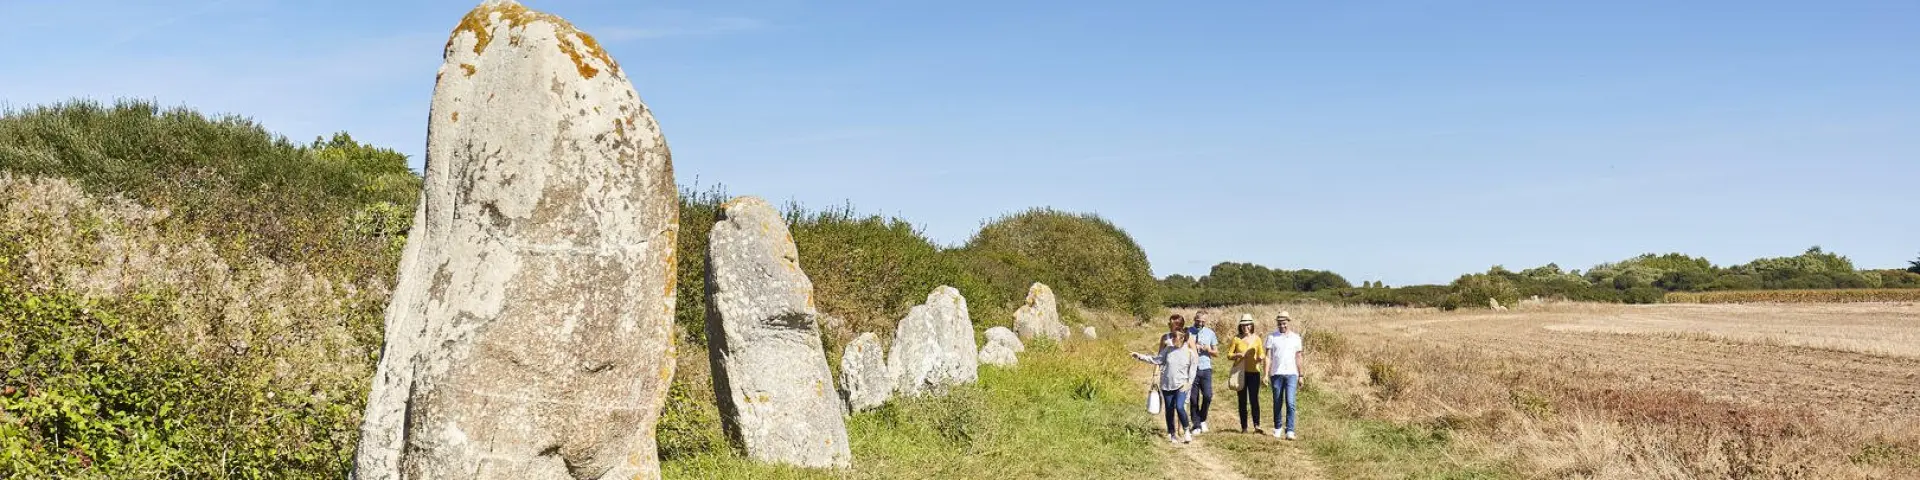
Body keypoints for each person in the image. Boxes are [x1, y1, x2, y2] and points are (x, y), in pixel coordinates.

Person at [1132, 316, 1198, 444]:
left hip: (1182, 384)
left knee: (1180, 407)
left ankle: (1186, 431)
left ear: (1182, 339)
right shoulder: (1168, 350)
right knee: (1169, 409)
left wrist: (1189, 383)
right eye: (1172, 336)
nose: (1172, 339)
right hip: (1167, 384)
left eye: (1175, 337)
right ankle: (1172, 434)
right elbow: (1156, 360)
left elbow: (1193, 369)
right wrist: (1139, 356)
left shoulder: (1190, 353)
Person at [1264, 311, 1306, 440]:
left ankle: (1290, 430)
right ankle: (1277, 427)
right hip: (1276, 374)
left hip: (1291, 374)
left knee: (1290, 402)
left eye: (1284, 323)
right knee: (1277, 401)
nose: (1282, 326)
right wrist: (1265, 374)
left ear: (1288, 322)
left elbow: (1298, 357)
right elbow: (1268, 357)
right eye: (1279, 323)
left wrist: (1301, 375)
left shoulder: (1296, 338)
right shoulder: (1272, 337)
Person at [1223, 313, 1266, 433]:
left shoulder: (1257, 339)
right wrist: (1238, 355)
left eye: (1247, 325)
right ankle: (1244, 427)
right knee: (1242, 400)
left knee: (1254, 399)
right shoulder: (1236, 339)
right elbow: (1229, 355)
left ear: (1252, 325)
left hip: (1254, 373)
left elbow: (1261, 353)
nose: (1245, 327)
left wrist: (1261, 357)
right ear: (1240, 326)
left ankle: (1257, 425)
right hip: (1240, 372)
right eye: (1243, 325)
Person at [1186, 310, 1219, 434]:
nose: (1200, 323)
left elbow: (1216, 353)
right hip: (1192, 368)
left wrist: (1207, 349)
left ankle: (1203, 419)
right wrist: (1192, 347)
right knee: (1193, 399)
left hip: (1206, 368)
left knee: (1207, 395)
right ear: (1194, 319)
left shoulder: (1210, 333)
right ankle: (1196, 424)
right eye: (1198, 320)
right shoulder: (1188, 331)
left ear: (1206, 321)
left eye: (1203, 321)